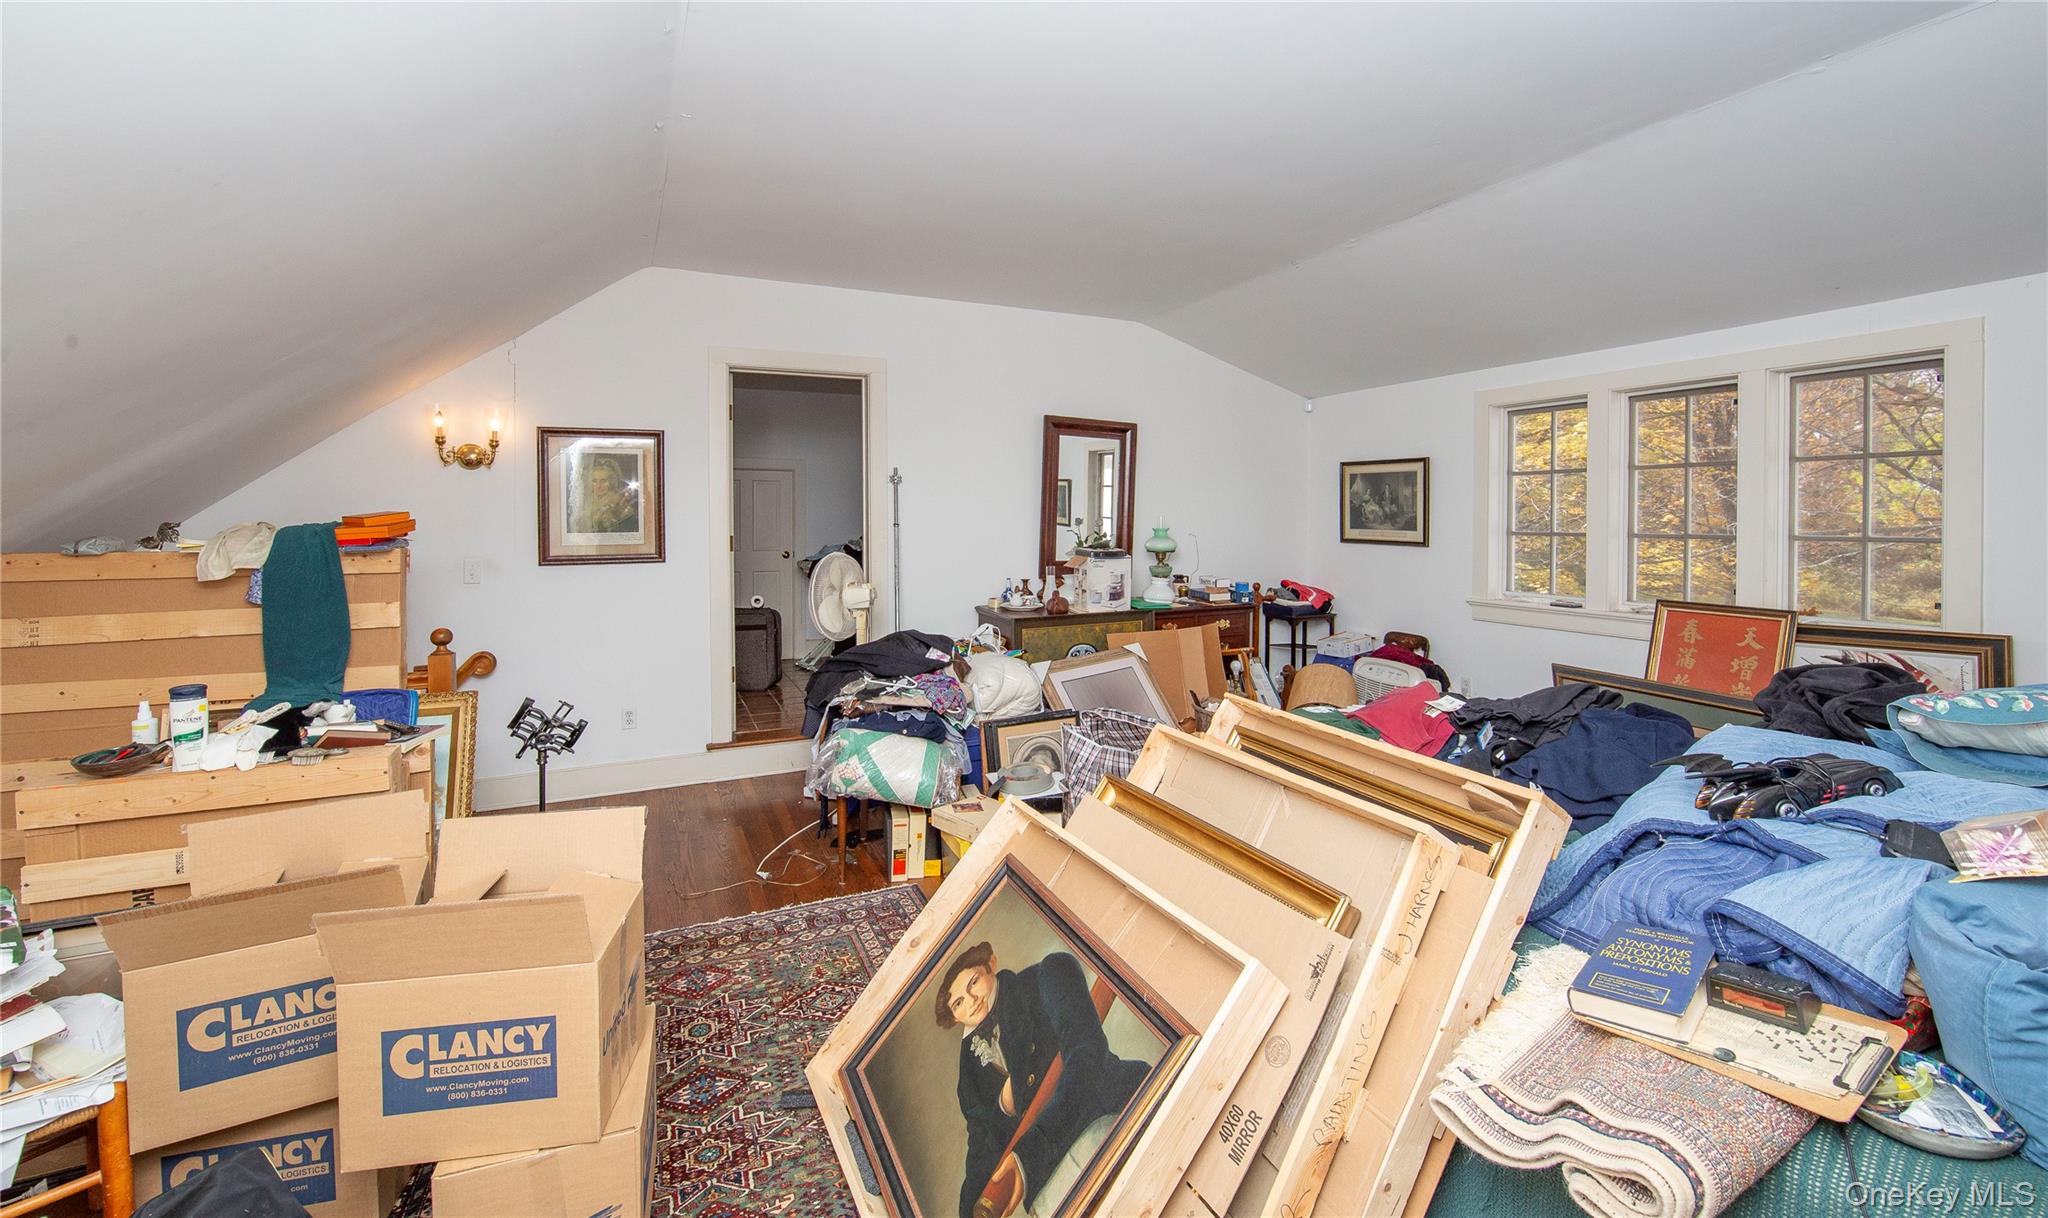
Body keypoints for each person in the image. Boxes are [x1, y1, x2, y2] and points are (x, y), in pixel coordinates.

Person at [934, 941, 1151, 1218]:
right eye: (958, 1003)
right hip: (1052, 1191)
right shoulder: (969, 1078)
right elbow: (982, 1146)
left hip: (1114, 1119)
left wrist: (1028, 1155)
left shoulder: (1048, 974)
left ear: (992, 965)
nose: (972, 1000)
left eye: (973, 982)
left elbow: (1087, 1060)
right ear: (954, 1018)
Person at [570, 455, 638, 534]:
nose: (599, 485)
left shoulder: (621, 507)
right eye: (594, 481)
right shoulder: (584, 504)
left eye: (603, 481)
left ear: (611, 483)